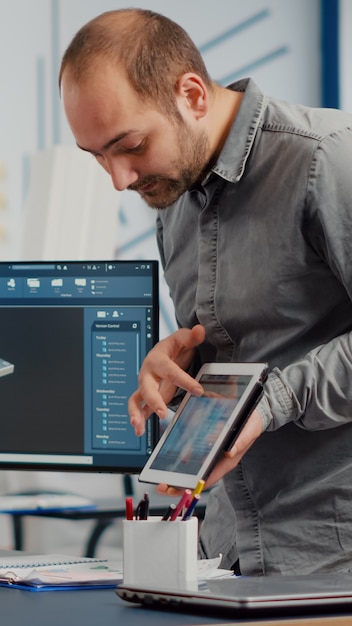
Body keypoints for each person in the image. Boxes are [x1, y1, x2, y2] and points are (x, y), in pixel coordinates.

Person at [59, 8, 352, 576]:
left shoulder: (326, 158)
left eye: (130, 145)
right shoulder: (173, 196)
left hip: (333, 561)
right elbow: (243, 346)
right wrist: (179, 363)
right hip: (224, 554)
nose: (119, 180)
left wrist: (273, 401)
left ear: (192, 94)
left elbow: (272, 384)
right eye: (98, 157)